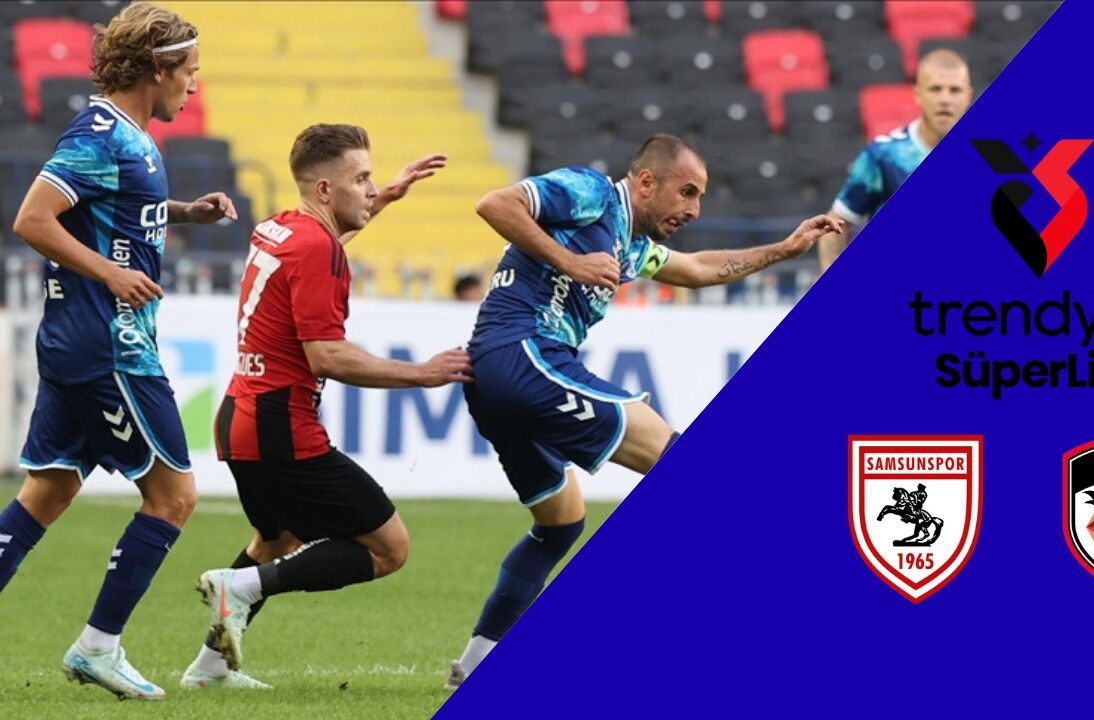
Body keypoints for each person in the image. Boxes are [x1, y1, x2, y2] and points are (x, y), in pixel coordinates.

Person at [447, 134, 844, 688]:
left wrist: (783, 249)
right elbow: (495, 203)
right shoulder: (591, 193)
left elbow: (698, 268)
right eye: (687, 192)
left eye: (700, 196)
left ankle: (475, 662)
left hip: (498, 377)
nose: (694, 209)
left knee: (560, 524)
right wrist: (570, 262)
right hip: (524, 353)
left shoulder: (633, 245)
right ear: (647, 182)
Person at [180, 124, 471, 690]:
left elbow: (319, 249)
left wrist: (384, 199)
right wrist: (422, 373)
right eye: (361, 179)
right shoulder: (319, 249)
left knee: (275, 542)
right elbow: (328, 356)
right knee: (389, 548)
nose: (371, 188)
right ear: (323, 189)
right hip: (282, 425)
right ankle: (238, 588)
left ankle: (209, 669)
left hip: (239, 418)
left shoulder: (279, 227)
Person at [0, 3, 236, 701]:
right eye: (189, 71)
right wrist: (108, 273)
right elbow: (32, 219)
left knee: (48, 492)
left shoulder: (130, 138)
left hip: (78, 341)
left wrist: (185, 212)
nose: (194, 84)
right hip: (111, 345)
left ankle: (98, 648)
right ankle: (97, 648)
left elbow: (111, 210)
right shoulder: (101, 132)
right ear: (158, 68)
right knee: (173, 497)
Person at [818, 48, 973, 271]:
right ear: (918, 94)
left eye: (955, 90)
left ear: (968, 95)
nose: (945, 99)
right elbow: (834, 227)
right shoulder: (884, 156)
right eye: (935, 89)